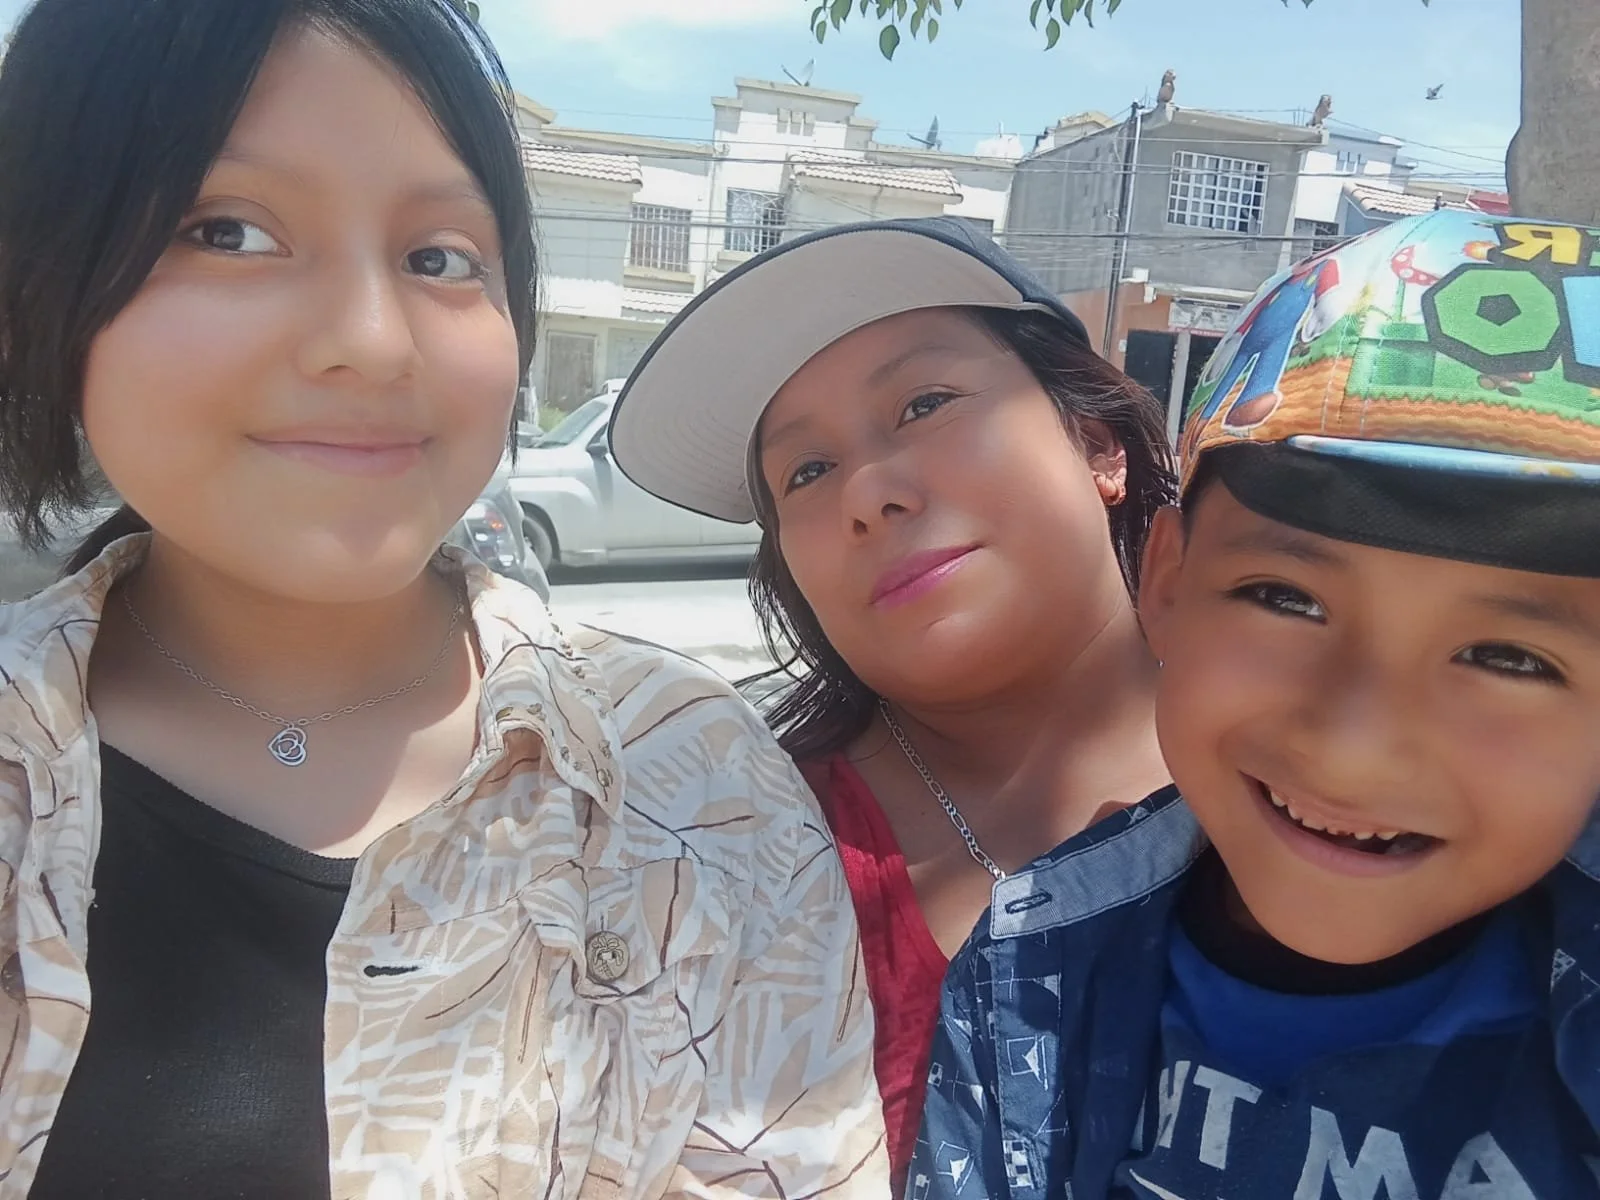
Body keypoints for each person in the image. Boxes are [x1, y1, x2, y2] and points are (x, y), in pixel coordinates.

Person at [0, 1, 885, 1195]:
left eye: (440, 258)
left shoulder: (694, 791)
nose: (374, 341)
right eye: (228, 231)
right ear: (40, 291)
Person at [911, 210, 1600, 1198]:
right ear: (1166, 582)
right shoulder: (1031, 971)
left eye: (1508, 657)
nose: (1356, 747)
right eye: (1286, 599)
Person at [610, 218, 1177, 1188]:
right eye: (807, 471)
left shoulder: (1339, 768)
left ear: (1095, 443)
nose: (868, 493)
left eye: (924, 403)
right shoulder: (722, 858)